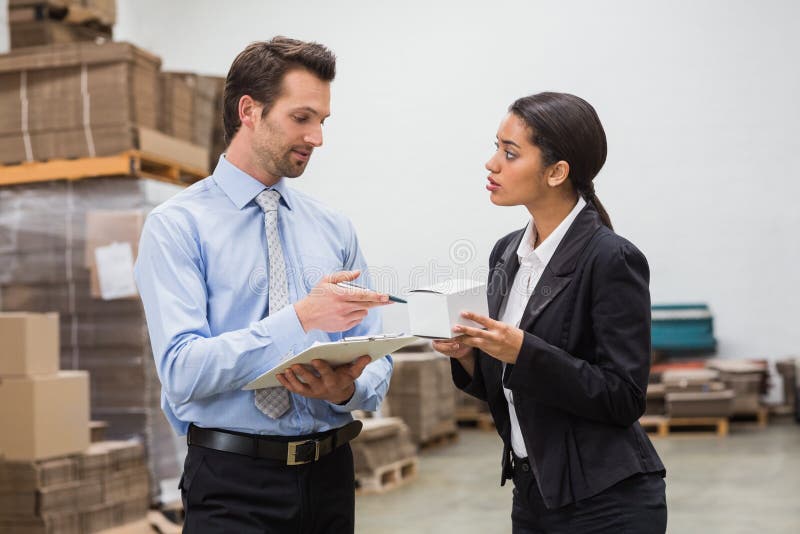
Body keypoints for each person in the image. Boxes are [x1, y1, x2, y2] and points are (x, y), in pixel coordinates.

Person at [134, 37, 394, 534]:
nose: (317, 137)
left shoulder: (334, 228)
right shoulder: (177, 227)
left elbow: (378, 353)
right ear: (249, 110)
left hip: (332, 479)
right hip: (234, 485)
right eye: (302, 118)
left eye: (323, 121)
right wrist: (300, 321)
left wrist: (348, 388)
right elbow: (183, 371)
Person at [433, 92, 667, 533]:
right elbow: (510, 386)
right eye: (496, 147)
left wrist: (523, 351)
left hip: (606, 501)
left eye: (509, 152)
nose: (491, 163)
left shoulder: (610, 259)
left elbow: (624, 396)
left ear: (558, 172)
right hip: (534, 493)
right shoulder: (507, 254)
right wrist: (467, 356)